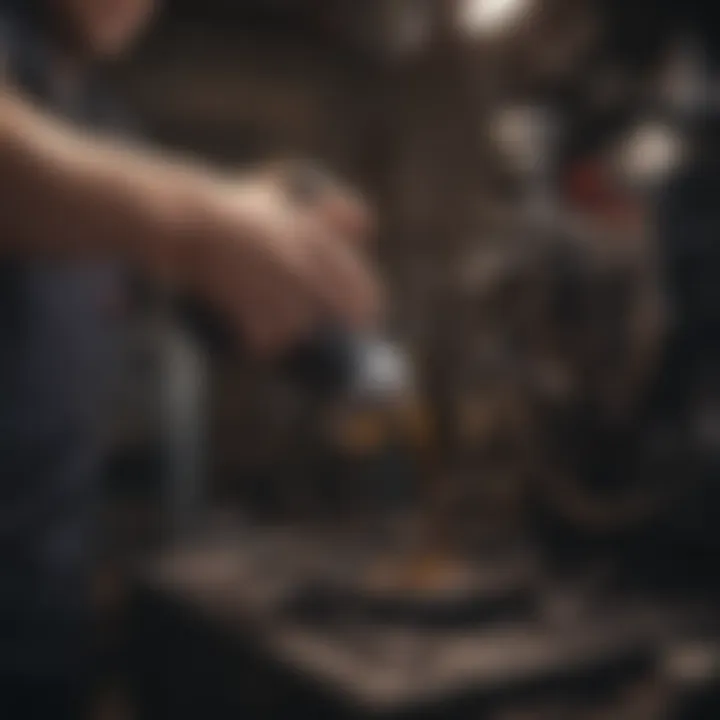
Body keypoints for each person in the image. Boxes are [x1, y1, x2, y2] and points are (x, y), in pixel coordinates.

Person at [0, 1, 379, 717]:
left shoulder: (103, 126)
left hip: (41, 625)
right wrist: (201, 218)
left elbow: (197, 282)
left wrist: (276, 246)